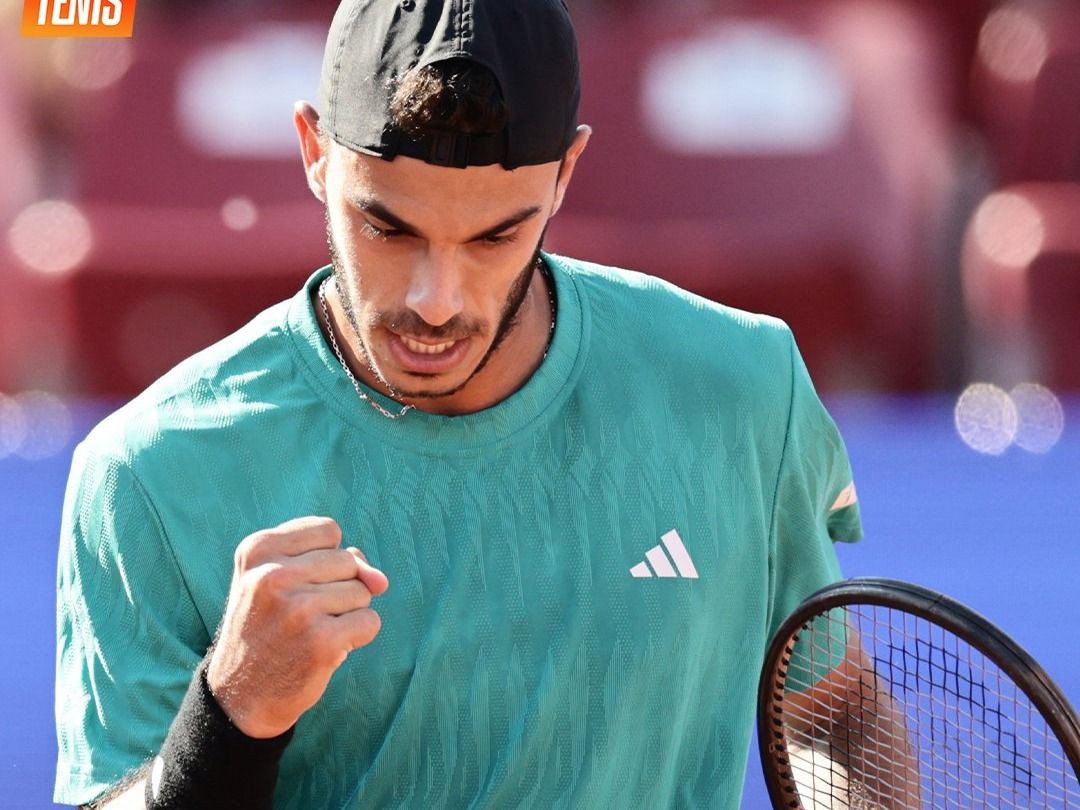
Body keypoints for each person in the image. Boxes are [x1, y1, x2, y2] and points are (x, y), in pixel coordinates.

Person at [53, 0, 866, 807]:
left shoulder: (743, 388)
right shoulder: (148, 473)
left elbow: (836, 721)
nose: (436, 301)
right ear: (313, 154)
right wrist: (229, 717)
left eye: (493, 238)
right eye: (387, 228)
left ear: (564, 178)